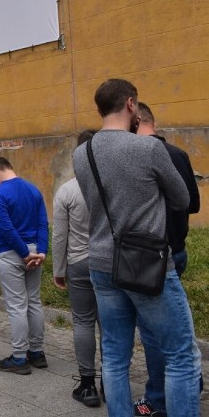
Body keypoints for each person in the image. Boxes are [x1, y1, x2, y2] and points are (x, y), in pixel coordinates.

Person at [72, 79, 197, 416]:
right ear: (131, 105)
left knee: (114, 356)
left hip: (100, 262)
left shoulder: (81, 154)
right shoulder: (148, 149)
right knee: (180, 355)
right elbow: (182, 199)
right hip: (147, 263)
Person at [134, 102, 203, 416]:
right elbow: (192, 204)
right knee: (177, 323)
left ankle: (159, 398)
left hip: (149, 256)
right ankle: (189, 384)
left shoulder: (133, 157)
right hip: (178, 249)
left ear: (134, 123)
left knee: (154, 332)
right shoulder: (178, 154)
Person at [0, 156, 48, 374]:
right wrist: (40, 252)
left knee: (17, 306)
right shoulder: (33, 189)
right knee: (34, 301)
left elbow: (6, 228)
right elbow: (42, 223)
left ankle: (19, 357)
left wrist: (22, 253)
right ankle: (37, 352)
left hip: (10, 253)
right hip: (35, 251)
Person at [52, 129, 101, 407]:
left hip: (79, 262)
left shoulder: (68, 190)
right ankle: (112, 381)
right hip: (110, 262)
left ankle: (87, 384)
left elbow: (60, 235)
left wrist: (59, 269)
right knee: (111, 325)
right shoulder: (112, 185)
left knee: (82, 321)